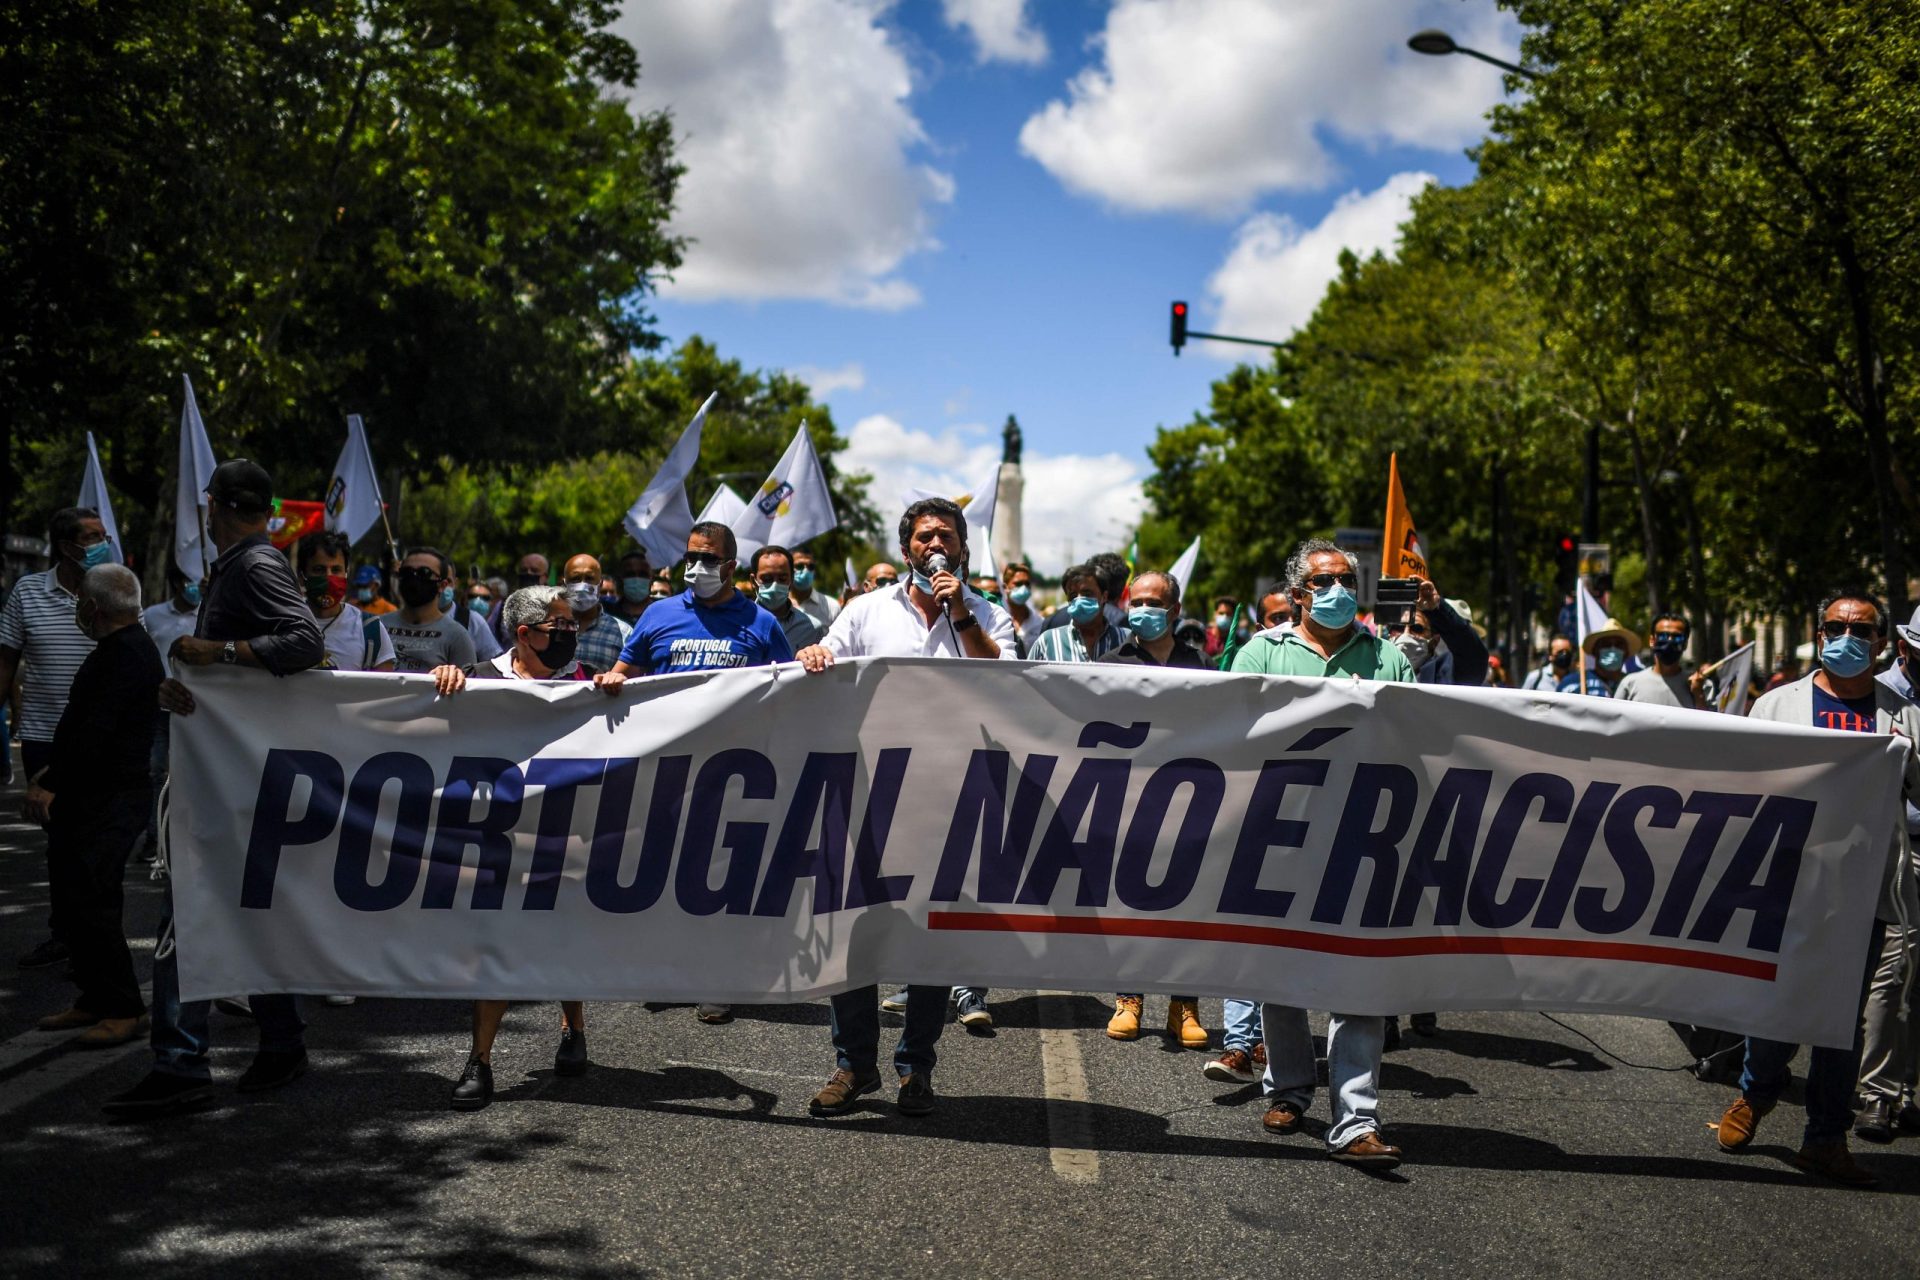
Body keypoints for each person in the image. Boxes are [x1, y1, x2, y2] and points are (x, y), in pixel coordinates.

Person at [104, 458, 325, 1118]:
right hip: (231, 767)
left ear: (214, 507)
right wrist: (191, 687)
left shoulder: (255, 564)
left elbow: (305, 643)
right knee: (234, 909)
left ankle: (180, 1060)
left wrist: (218, 656)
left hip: (235, 777)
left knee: (191, 912)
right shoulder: (243, 563)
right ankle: (280, 1039)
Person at [793, 498, 1016, 1117]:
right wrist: (815, 658)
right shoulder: (865, 610)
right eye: (924, 536)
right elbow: (826, 659)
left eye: (946, 535)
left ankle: (917, 1066)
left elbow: (1007, 685)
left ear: (964, 550)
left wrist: (962, 615)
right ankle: (854, 1066)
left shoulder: (988, 614)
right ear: (906, 548)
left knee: (930, 938)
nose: (935, 544)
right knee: (856, 931)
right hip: (867, 794)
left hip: (951, 799)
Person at [1714, 591, 1920, 1187]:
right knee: (1777, 1003)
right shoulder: (1776, 705)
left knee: (1842, 1021)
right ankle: (1757, 1090)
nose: (1847, 638)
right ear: (1819, 630)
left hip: (1863, 895)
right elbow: (1740, 783)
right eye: (1835, 626)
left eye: (1861, 630)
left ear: (1882, 643)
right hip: (1786, 886)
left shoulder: (1901, 717)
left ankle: (1825, 1138)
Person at [1230, 538, 1416, 1169]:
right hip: (1283, 835)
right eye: (1324, 581)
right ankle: (1287, 1090)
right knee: (1282, 976)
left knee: (1359, 979)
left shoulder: (1388, 658)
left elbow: (1416, 742)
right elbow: (1234, 732)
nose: (1338, 591)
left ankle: (1356, 1119)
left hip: (1365, 837)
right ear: (1300, 592)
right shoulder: (1262, 652)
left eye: (1346, 580)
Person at [429, 586, 623, 1109]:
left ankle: (574, 1026)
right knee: (496, 940)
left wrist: (614, 688)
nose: (570, 633)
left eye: (571, 625)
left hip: (565, 829)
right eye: (559, 625)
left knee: (562, 930)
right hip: (499, 833)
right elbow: (435, 724)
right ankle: (481, 1061)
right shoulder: (483, 680)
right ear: (524, 634)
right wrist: (443, 681)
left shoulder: (581, 681)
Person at [602, 523, 795, 1025]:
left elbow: (791, 691)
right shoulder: (660, 613)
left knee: (717, 879)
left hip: (732, 770)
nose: (697, 568)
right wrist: (611, 681)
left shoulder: (760, 622)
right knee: (662, 873)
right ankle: (668, 971)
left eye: (709, 559)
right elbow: (628, 669)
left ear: (732, 566)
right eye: (691, 556)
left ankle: (717, 980)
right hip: (665, 767)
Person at [27, 565, 163, 1047]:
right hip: (90, 797)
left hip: (109, 799)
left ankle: (124, 1008)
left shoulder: (128, 655)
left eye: (81, 599)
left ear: (94, 608)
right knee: (72, 897)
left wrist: (51, 783)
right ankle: (94, 997)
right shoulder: (117, 650)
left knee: (94, 901)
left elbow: (95, 734)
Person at [1094, 570, 1211, 1051]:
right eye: (1135, 601)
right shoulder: (1112, 663)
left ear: (1175, 611)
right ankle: (1129, 999)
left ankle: (1185, 1006)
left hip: (1192, 797)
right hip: (1130, 798)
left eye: (1153, 603)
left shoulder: (1202, 665)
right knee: (1131, 901)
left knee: (1190, 904)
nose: (1141, 610)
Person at [1, 507, 107, 969]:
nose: (104, 543)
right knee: (62, 838)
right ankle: (66, 934)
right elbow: (5, 660)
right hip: (44, 738)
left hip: (99, 738)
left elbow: (133, 655)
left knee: (93, 842)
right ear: (67, 547)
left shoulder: (114, 589)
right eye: (93, 537)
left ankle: (93, 939)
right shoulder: (27, 593)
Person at [1856, 604, 1920, 1142]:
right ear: (1904, 648)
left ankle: (1906, 1089)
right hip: (1898, 851)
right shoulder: (1878, 701)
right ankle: (1876, 1093)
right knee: (1894, 972)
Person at [138, 564, 203, 861]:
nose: (197, 586)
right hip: (158, 710)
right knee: (156, 773)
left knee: (191, 776)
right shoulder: (152, 616)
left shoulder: (208, 616)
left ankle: (186, 841)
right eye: (191, 580)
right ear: (177, 583)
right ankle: (155, 839)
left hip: (196, 711)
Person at [301, 532, 396, 673]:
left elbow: (386, 688)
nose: (328, 577)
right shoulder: (283, 622)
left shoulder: (370, 629)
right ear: (302, 576)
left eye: (336, 570)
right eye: (319, 570)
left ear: (346, 573)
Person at [380, 547, 477, 674]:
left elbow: (469, 687)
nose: (413, 578)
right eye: (407, 572)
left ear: (442, 585)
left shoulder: (457, 636)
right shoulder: (378, 626)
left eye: (424, 573)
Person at [1031, 563, 1130, 663]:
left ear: (1104, 596)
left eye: (1087, 594)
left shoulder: (1126, 639)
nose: (1079, 600)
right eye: (1073, 595)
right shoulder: (1047, 642)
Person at [1392, 587, 1489, 689]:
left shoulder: (1447, 673)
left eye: (1416, 628)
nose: (1405, 634)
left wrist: (1436, 609)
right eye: (1398, 627)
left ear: (1434, 641)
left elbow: (1472, 657)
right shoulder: (1380, 667)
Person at [1614, 613, 1708, 708]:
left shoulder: (1701, 685)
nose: (1669, 641)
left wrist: (1698, 695)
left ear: (1685, 644)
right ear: (1652, 640)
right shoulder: (1630, 684)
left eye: (1677, 637)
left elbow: (1709, 721)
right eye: (1663, 636)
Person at [560, 554, 633, 673]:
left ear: (600, 584)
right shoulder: (549, 627)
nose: (582, 585)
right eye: (575, 579)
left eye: (589, 578)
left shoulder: (624, 633)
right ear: (564, 584)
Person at [749, 545, 825, 654]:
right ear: (753, 581)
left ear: (792, 579)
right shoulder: (740, 624)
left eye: (782, 579)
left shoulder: (811, 627)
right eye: (767, 579)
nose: (775, 585)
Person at [1559, 618, 1634, 696]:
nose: (1613, 649)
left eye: (1619, 644)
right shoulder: (1572, 684)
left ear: (1626, 653)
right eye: (1606, 644)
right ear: (1595, 651)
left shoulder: (1634, 685)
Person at [788, 547, 839, 630]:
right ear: (788, 569)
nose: (806, 570)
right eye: (799, 566)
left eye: (810, 566)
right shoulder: (779, 605)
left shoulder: (831, 607)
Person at [1001, 561, 1044, 657]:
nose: (1024, 588)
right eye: (1018, 584)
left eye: (1027, 584)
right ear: (1005, 587)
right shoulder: (998, 618)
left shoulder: (1039, 622)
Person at [610, 549, 654, 626]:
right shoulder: (609, 614)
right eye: (630, 574)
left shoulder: (663, 613)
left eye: (643, 574)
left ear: (651, 577)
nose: (637, 579)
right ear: (621, 577)